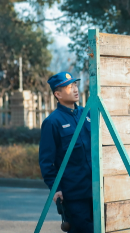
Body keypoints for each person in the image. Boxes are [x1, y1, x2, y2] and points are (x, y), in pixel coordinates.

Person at [39, 72, 93, 233]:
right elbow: (46, 161)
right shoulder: (52, 122)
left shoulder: (88, 113)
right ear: (58, 94)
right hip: (74, 195)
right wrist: (56, 189)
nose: (75, 89)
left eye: (75, 85)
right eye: (70, 87)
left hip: (97, 190)